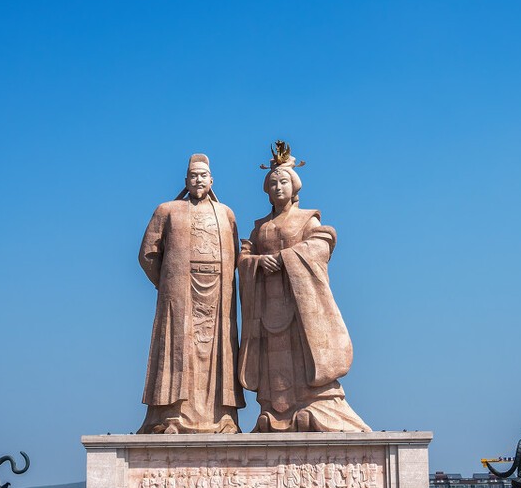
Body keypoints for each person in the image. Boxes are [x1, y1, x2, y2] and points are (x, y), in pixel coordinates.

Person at [237, 143, 371, 432]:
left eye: (283, 181)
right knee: (273, 362)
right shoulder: (259, 227)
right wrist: (257, 263)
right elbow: (243, 257)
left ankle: (313, 407)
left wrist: (285, 259)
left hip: (301, 304)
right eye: (272, 183)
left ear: (294, 186)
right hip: (268, 307)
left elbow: (322, 243)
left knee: (303, 353)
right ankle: (275, 414)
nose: (278, 188)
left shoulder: (307, 218)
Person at [137, 154, 244, 434]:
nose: (198, 180)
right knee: (177, 350)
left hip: (219, 295)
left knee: (220, 350)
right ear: (186, 181)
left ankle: (223, 417)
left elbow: (237, 256)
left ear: (211, 181)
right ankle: (172, 416)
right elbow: (148, 255)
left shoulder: (225, 214)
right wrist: (168, 283)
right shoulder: (167, 210)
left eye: (203, 176)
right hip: (180, 293)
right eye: (193, 176)